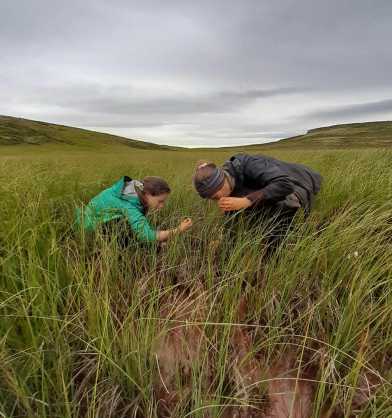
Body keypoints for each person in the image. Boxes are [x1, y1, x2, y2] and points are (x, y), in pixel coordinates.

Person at [193, 153, 322, 249]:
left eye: (220, 188)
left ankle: (276, 255)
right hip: (273, 188)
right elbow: (232, 217)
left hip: (300, 180)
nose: (221, 198)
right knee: (254, 212)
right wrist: (224, 240)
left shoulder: (248, 164)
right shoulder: (228, 184)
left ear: (223, 177)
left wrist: (246, 201)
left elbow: (285, 184)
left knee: (284, 205)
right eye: (215, 197)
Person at [76, 175, 192, 245]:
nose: (162, 206)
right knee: (126, 230)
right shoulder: (128, 205)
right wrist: (179, 230)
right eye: (160, 201)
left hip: (90, 219)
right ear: (147, 194)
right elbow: (147, 236)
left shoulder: (135, 190)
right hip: (88, 228)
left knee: (130, 227)